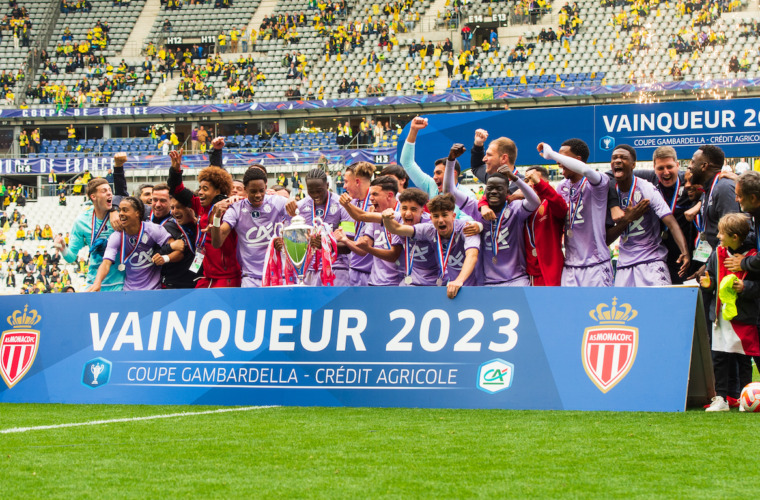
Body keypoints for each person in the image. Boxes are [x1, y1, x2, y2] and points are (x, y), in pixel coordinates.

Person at [446, 144, 539, 286]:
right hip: (488, 283)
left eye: (499, 189)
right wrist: (451, 160)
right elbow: (449, 190)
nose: (494, 192)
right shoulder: (478, 209)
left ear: (507, 192)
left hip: (517, 280)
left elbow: (534, 201)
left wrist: (514, 178)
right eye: (490, 188)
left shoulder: (516, 209)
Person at [604, 145, 690, 286]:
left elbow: (671, 223)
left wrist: (684, 252)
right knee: (625, 307)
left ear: (633, 165)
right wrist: (627, 219)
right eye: (614, 158)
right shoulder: (608, 193)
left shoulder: (647, 188)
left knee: (659, 307)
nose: (618, 161)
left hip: (652, 261)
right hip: (624, 264)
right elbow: (606, 239)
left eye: (623, 158)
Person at [700, 213, 760, 411]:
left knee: (744, 357)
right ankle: (721, 398)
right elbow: (711, 279)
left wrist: (746, 287)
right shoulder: (717, 253)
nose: (718, 236)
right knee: (719, 357)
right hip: (719, 316)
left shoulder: (752, 257)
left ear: (735, 237)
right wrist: (708, 285)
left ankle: (746, 396)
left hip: (743, 316)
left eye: (721, 233)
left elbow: (757, 286)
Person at [538, 139, 613, 286]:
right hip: (570, 266)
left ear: (578, 160)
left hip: (596, 264)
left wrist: (552, 154)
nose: (558, 162)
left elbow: (585, 170)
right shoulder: (562, 186)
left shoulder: (598, 182)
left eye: (562, 157)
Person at [168, 139, 242, 288]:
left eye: (205, 189)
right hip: (207, 276)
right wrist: (175, 170)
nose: (200, 192)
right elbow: (177, 190)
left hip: (226, 278)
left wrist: (237, 198)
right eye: (200, 188)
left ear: (219, 191)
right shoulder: (200, 206)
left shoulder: (230, 208)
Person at [382, 193, 480, 298]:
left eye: (445, 215)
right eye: (436, 216)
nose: (440, 220)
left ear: (453, 216)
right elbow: (396, 229)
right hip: (456, 288)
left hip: (479, 287)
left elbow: (472, 255)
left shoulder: (467, 228)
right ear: (431, 217)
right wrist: (386, 219)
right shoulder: (429, 230)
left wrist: (459, 281)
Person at [55, 155, 128, 291]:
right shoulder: (82, 221)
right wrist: (63, 248)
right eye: (104, 191)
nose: (109, 194)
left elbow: (123, 194)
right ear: (93, 197)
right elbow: (71, 258)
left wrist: (114, 209)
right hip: (94, 283)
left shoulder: (119, 214)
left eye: (110, 191)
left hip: (120, 283)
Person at [209, 166, 287, 287]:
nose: (258, 195)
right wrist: (216, 217)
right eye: (253, 191)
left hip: (278, 275)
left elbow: (300, 223)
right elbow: (217, 242)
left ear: (266, 187)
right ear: (245, 190)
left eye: (261, 190)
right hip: (250, 278)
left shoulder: (278, 202)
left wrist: (285, 239)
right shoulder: (236, 208)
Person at [88, 197, 183, 291]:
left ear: (137, 212)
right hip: (129, 291)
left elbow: (179, 251)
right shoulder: (117, 236)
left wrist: (165, 258)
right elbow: (106, 263)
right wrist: (97, 282)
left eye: (125, 210)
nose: (120, 213)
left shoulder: (152, 229)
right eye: (120, 210)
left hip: (154, 291)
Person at [285, 168, 352, 286]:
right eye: (311, 191)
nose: (315, 195)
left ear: (327, 185)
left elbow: (349, 245)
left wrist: (326, 245)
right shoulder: (299, 207)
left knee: (335, 305)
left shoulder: (342, 206)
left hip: (336, 268)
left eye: (319, 190)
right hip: (308, 270)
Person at [398, 116, 472, 220]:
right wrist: (413, 130)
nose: (434, 177)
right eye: (434, 173)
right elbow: (407, 163)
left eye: (438, 173)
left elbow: (467, 223)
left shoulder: (467, 195)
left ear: (453, 173)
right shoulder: (431, 186)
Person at [338, 176, 402, 286]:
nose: (371, 198)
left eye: (375, 194)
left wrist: (347, 205)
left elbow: (393, 256)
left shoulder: (400, 216)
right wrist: (346, 240)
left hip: (396, 283)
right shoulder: (375, 216)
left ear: (390, 195)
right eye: (370, 194)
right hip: (374, 282)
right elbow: (363, 250)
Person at [341, 161, 375, 285]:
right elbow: (349, 234)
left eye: (346, 181)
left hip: (373, 274)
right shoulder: (350, 204)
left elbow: (365, 246)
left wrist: (344, 239)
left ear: (357, 181)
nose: (344, 186)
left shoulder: (376, 203)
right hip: (354, 271)